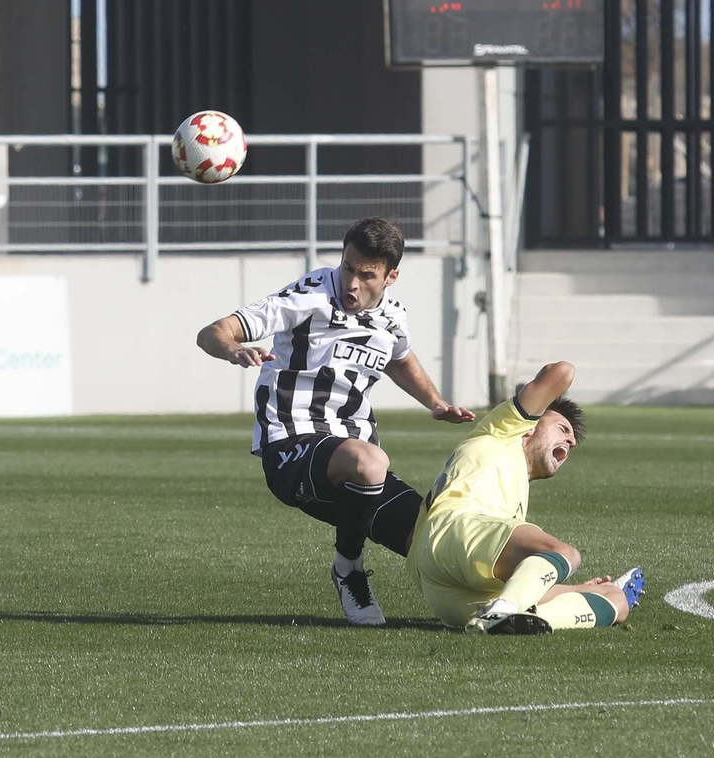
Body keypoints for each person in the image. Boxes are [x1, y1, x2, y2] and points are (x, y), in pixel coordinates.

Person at [195, 217, 475, 626]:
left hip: (354, 463)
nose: (352, 284)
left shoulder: (393, 317)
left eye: (367, 275)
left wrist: (434, 402)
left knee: (434, 543)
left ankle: (520, 601)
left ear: (391, 276)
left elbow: (399, 356)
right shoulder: (307, 297)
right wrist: (234, 348)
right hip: (292, 445)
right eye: (348, 268)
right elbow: (212, 331)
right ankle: (349, 569)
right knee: (370, 461)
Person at [407, 360, 644, 634]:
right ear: (529, 426)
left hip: (449, 596)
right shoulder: (502, 431)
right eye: (562, 429)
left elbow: (521, 580)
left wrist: (587, 588)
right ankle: (504, 611)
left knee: (617, 603)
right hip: (452, 532)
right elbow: (561, 372)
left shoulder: (513, 496)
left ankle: (513, 619)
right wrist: (533, 406)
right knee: (563, 553)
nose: (572, 442)